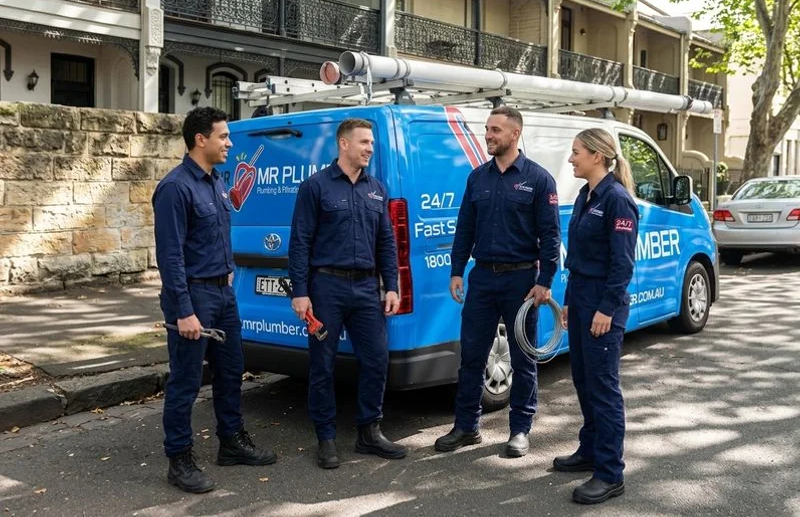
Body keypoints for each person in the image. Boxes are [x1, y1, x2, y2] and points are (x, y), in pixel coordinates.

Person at [153, 107, 276, 494]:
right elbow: (170, 256)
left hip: (224, 293)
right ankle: (179, 459)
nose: (229, 143)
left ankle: (231, 443)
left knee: (231, 371)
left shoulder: (217, 182)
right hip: (194, 296)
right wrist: (184, 310)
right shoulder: (176, 188)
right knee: (186, 382)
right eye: (223, 136)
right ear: (200, 139)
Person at [435, 105, 561, 458]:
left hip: (522, 281)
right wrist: (457, 270)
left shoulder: (538, 179)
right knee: (472, 356)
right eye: (487, 129)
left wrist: (545, 280)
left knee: (523, 359)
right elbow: (465, 228)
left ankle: (520, 430)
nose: (488, 135)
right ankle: (466, 427)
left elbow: (551, 235)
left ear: (514, 134)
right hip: (483, 277)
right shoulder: (478, 178)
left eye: (495, 130)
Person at [288, 118, 407, 470]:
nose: (370, 148)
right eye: (364, 142)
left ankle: (369, 431)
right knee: (322, 364)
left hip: (367, 289)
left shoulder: (376, 189)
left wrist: (392, 285)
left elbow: (386, 242)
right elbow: (300, 242)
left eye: (371, 143)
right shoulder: (316, 187)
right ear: (344, 144)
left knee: (376, 359)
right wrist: (300, 292)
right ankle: (325, 438)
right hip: (326, 288)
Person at [553, 128, 638, 505]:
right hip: (583, 297)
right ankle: (589, 450)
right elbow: (577, 261)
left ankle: (610, 473)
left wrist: (605, 308)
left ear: (598, 156)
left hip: (605, 302)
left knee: (603, 388)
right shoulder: (587, 196)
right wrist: (571, 302)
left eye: (576, 152)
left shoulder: (618, 200)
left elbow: (622, 265)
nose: (571, 159)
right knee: (584, 381)